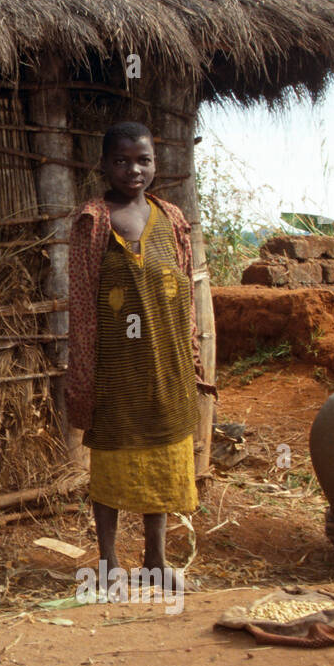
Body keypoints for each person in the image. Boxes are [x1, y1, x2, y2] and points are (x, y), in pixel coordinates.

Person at [66, 121, 216, 594]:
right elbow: (83, 303)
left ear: (155, 163)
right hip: (115, 368)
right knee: (111, 460)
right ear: (104, 165)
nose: (134, 169)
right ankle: (108, 563)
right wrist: (85, 372)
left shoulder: (171, 218)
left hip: (166, 365)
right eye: (122, 160)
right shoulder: (93, 220)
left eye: (144, 160)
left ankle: (155, 558)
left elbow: (188, 293)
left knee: (165, 457)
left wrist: (192, 358)